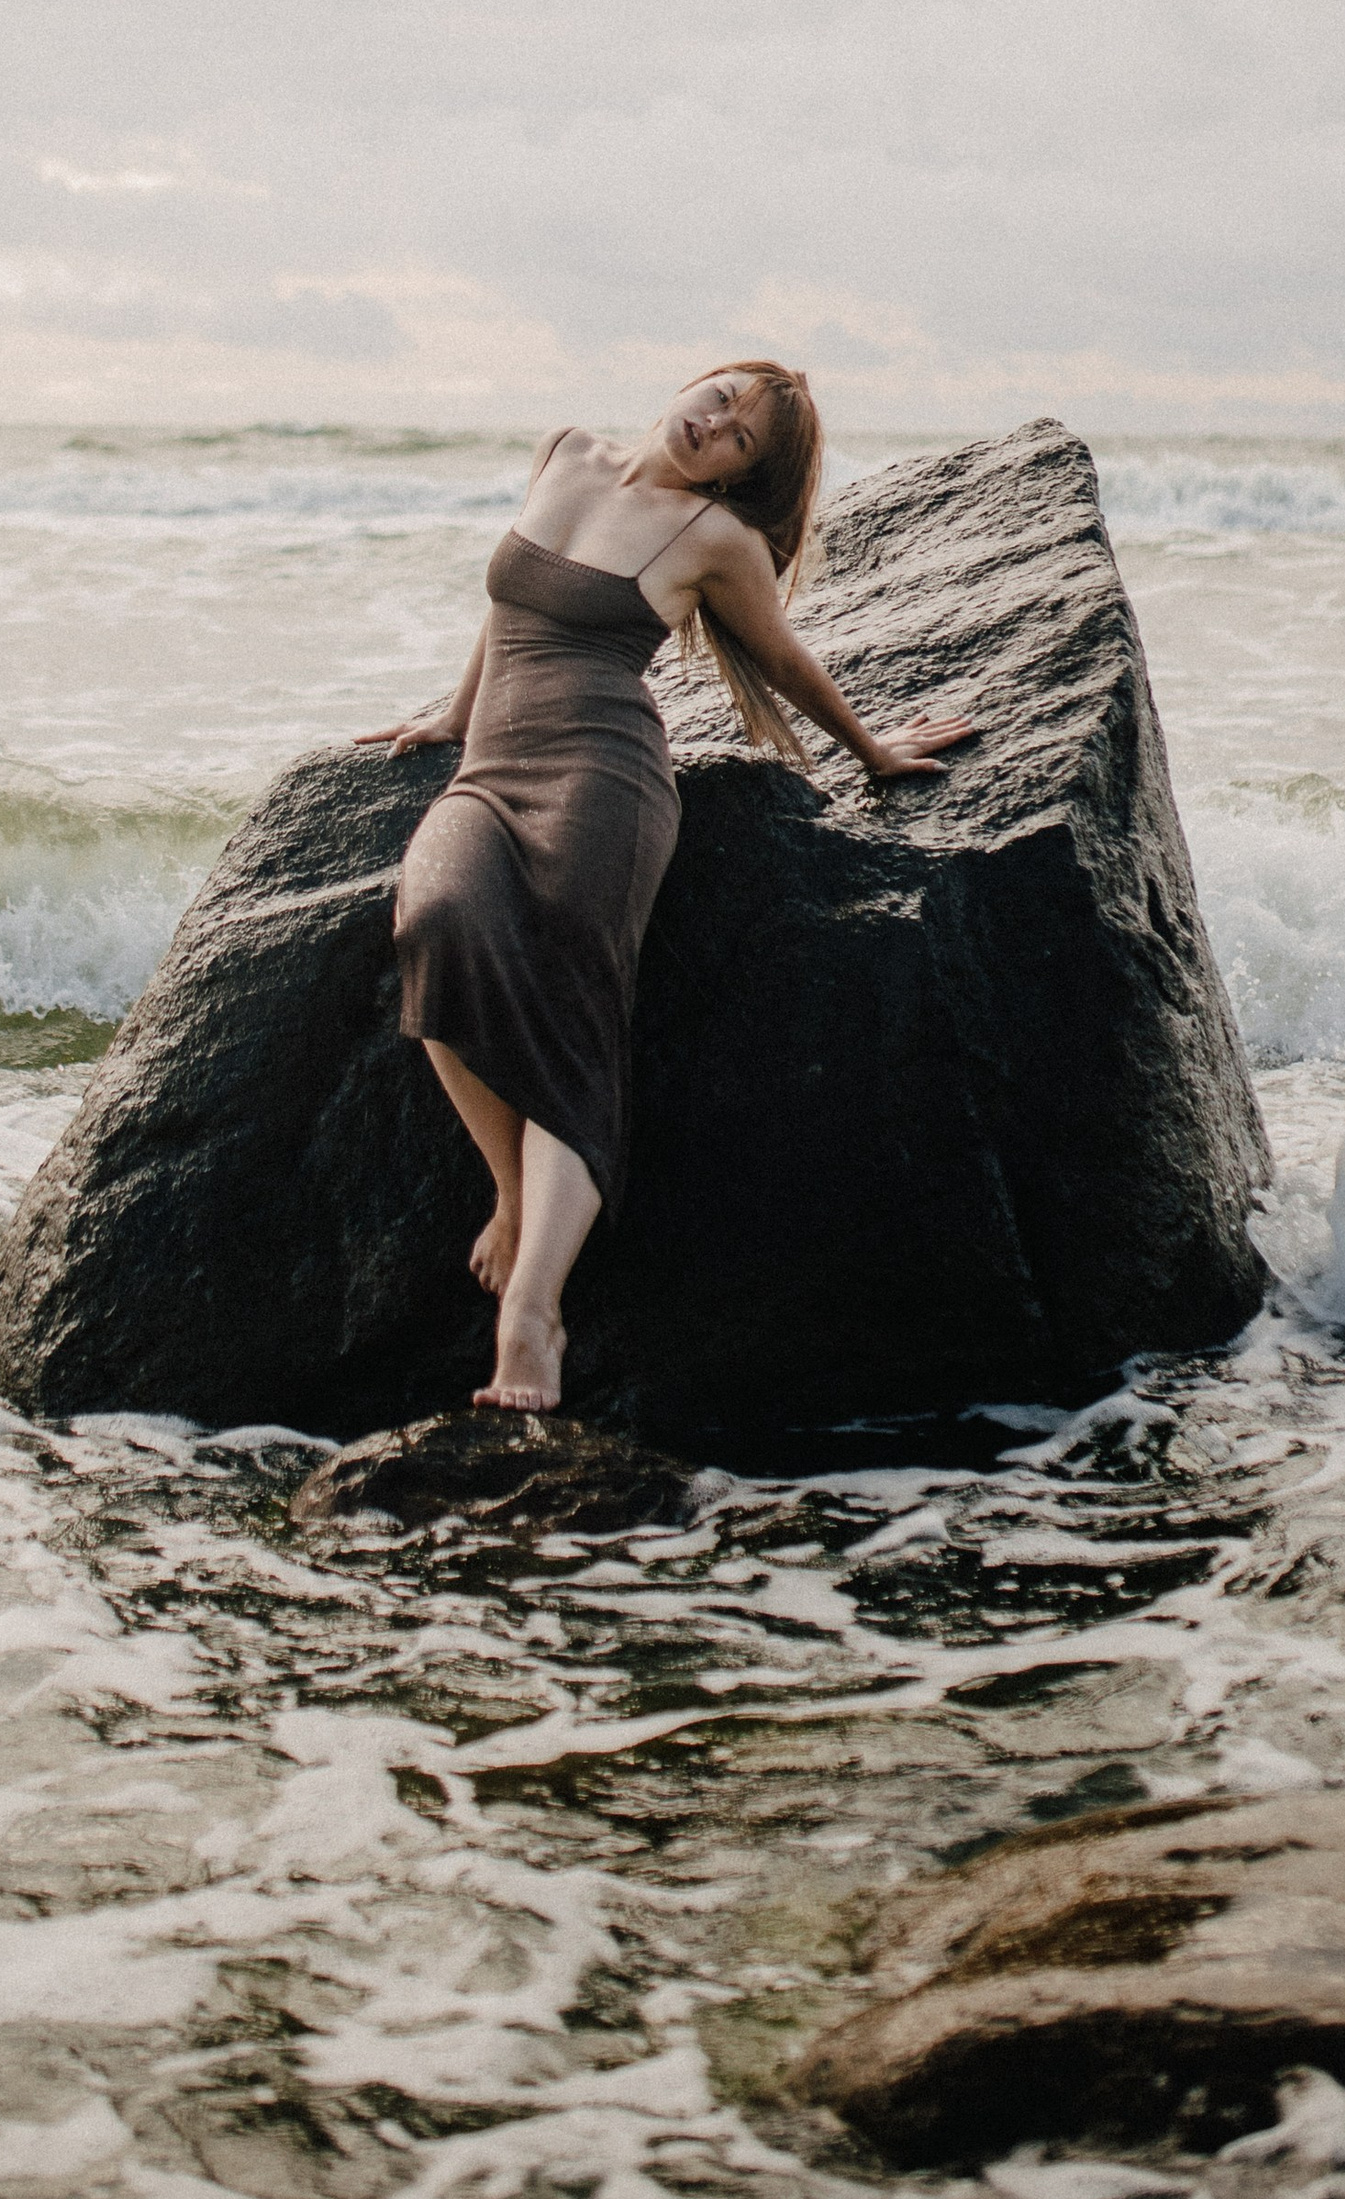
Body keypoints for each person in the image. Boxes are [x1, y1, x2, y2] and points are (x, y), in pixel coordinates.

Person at [358, 362, 972, 1414]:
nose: (716, 421)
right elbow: (507, 605)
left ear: (744, 476)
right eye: (721, 395)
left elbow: (784, 662)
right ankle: (515, 1192)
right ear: (692, 382)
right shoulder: (565, 450)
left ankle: (532, 1317)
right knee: (437, 917)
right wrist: (456, 713)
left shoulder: (715, 541)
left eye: (741, 435)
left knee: (576, 1007)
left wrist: (871, 748)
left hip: (605, 778)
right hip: (492, 770)